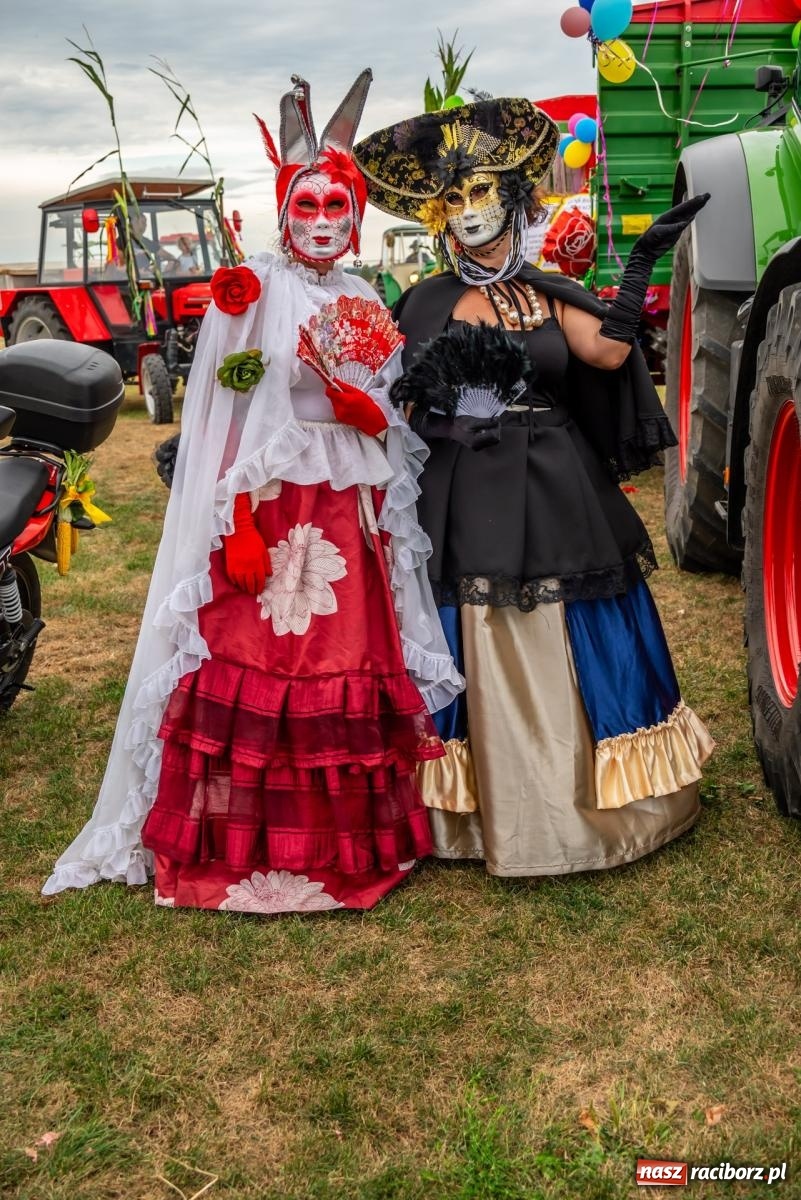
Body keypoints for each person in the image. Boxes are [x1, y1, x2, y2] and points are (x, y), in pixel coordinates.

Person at [43, 70, 463, 913]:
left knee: (342, 665)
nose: (319, 222)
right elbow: (219, 418)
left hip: (344, 507)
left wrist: (366, 416)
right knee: (257, 665)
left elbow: (386, 415)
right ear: (283, 210)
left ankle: (338, 841)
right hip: (265, 508)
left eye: (334, 206)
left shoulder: (360, 295)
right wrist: (227, 517)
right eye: (304, 207)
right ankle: (242, 847)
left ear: (354, 213)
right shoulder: (252, 289)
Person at [353, 97, 714, 876]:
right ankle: (473, 809)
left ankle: (592, 801)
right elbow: (402, 400)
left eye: (480, 192)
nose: (467, 213)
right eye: (452, 200)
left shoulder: (548, 291)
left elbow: (609, 358)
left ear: (512, 202)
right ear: (439, 219)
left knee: (582, 608)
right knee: (464, 615)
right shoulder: (426, 301)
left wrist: (641, 263)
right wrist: (450, 425)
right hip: (464, 486)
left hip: (557, 480)